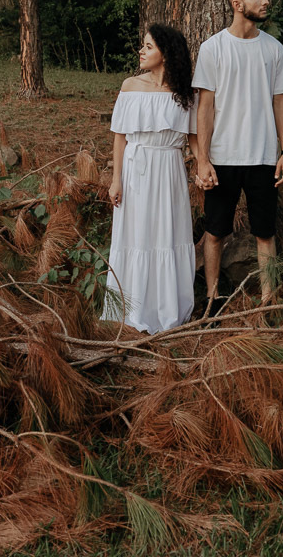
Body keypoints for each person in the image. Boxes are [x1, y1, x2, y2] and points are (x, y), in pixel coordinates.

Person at [192, 0, 283, 313]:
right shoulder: (213, 48)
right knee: (215, 232)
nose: (266, 1)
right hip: (222, 158)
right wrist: (203, 159)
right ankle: (212, 302)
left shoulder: (273, 49)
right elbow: (205, 107)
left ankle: (268, 303)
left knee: (265, 233)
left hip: (263, 157)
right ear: (237, 4)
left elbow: (281, 102)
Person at [101, 24, 198, 334]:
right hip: (135, 171)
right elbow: (120, 137)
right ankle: (131, 310)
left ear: (165, 53)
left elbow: (193, 138)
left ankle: (167, 310)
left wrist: (203, 165)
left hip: (169, 170)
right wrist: (116, 179)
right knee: (136, 235)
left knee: (167, 233)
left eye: (148, 46)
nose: (141, 51)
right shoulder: (130, 86)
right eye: (142, 46)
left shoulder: (184, 92)